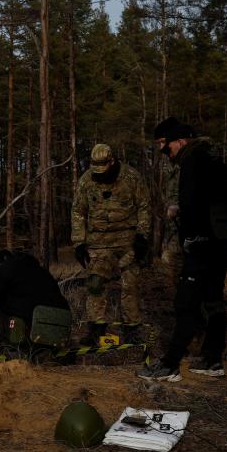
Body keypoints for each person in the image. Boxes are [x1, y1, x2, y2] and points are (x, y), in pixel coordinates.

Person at [138, 117, 227, 382]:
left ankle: (170, 364)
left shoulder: (191, 161)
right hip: (221, 243)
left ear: (180, 140)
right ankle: (212, 360)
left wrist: (191, 235)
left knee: (186, 301)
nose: (165, 150)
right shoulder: (213, 160)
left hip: (201, 246)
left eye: (166, 144)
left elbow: (190, 204)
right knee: (213, 300)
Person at [71, 143, 151, 341]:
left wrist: (142, 236)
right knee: (95, 284)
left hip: (128, 241)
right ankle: (96, 328)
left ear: (112, 161)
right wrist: (78, 243)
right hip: (98, 243)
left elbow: (144, 207)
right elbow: (78, 212)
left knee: (130, 285)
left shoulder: (131, 177)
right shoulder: (86, 181)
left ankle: (132, 328)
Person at [0, 250, 70, 346]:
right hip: (60, 332)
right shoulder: (42, 272)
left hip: (27, 333)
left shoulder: (3, 269)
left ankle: (6, 346)